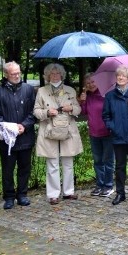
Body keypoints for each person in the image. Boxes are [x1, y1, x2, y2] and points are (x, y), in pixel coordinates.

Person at [33, 63, 84, 205]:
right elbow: (36, 110)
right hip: (49, 129)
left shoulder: (70, 90)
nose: (55, 76)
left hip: (67, 129)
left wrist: (71, 108)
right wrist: (47, 112)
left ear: (62, 75)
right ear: (47, 76)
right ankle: (53, 194)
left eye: (57, 74)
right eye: (52, 74)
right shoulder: (42, 91)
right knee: (52, 162)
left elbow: (78, 110)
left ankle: (68, 192)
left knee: (68, 162)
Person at [0, 61, 36, 210]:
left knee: (24, 168)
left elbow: (34, 111)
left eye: (18, 72)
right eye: (13, 73)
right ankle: (9, 197)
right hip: (7, 141)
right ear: (6, 74)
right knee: (8, 170)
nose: (17, 75)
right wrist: (10, 128)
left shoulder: (28, 90)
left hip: (25, 136)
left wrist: (25, 125)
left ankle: (22, 194)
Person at [102, 66, 128, 205]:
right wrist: (112, 128)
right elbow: (106, 115)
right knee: (119, 166)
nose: (120, 78)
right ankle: (120, 193)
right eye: (118, 75)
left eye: (123, 76)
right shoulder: (110, 96)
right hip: (118, 137)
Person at [79, 73, 114, 197]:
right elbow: (83, 112)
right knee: (98, 161)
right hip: (94, 133)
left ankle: (108, 185)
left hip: (107, 133)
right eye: (88, 83)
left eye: (93, 82)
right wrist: (82, 101)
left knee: (108, 161)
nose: (91, 85)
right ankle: (100, 185)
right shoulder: (88, 96)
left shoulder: (106, 94)